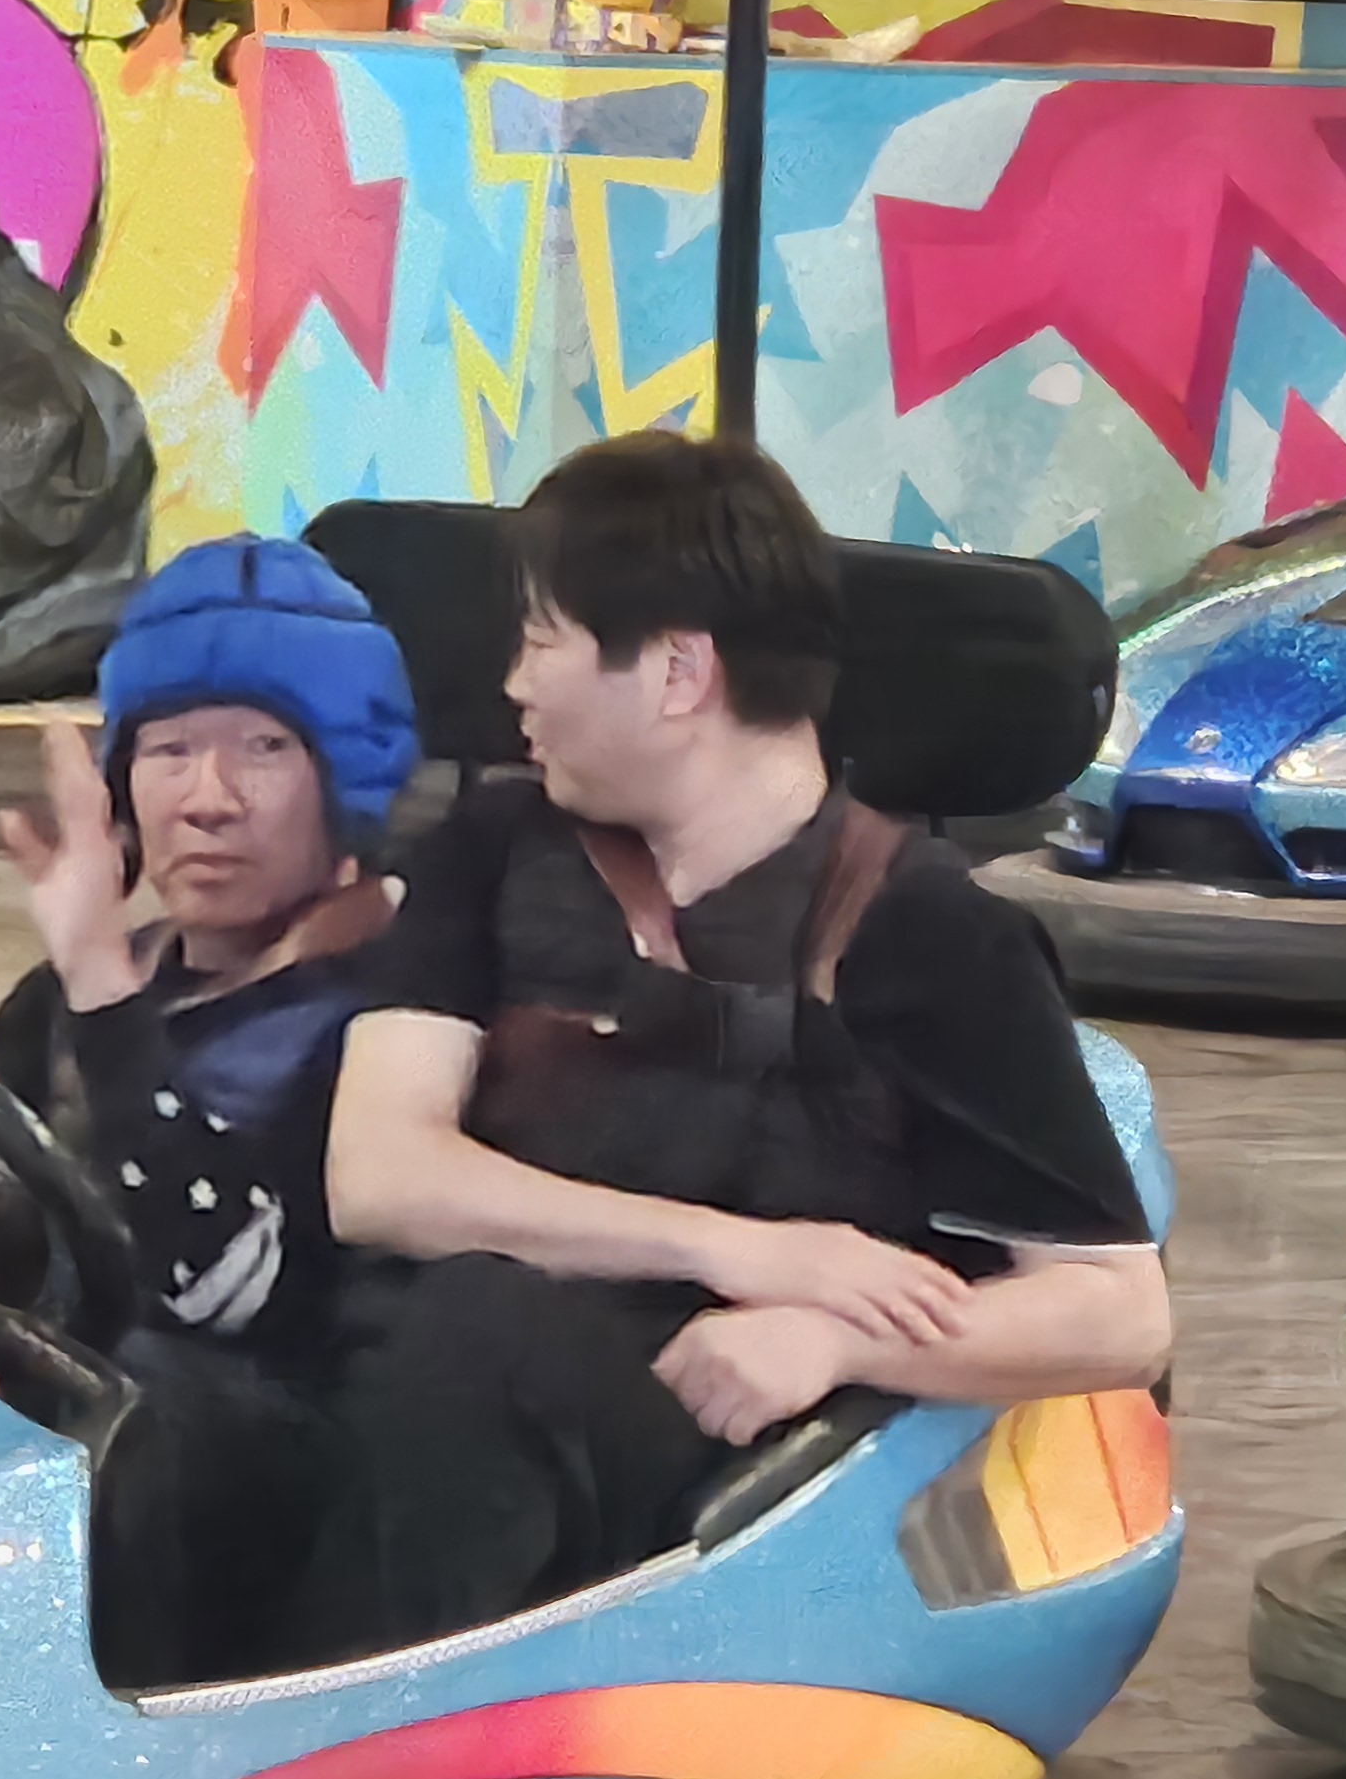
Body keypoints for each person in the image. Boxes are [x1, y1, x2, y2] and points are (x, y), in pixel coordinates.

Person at [286, 430, 1171, 1663]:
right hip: (410, 1402)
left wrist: (834, 1337)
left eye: (540, 641)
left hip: (695, 1480)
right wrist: (747, 1249)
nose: (514, 686)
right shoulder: (489, 851)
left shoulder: (928, 934)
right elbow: (380, 1176)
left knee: (481, 1342)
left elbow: (1118, 1312)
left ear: (675, 672)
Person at [0, 533, 422, 1366]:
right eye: (170, 751)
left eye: (266, 748)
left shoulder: (391, 1019)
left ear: (349, 778)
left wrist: (101, 988)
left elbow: (237, 1291)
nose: (208, 801)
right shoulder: (54, 1003)